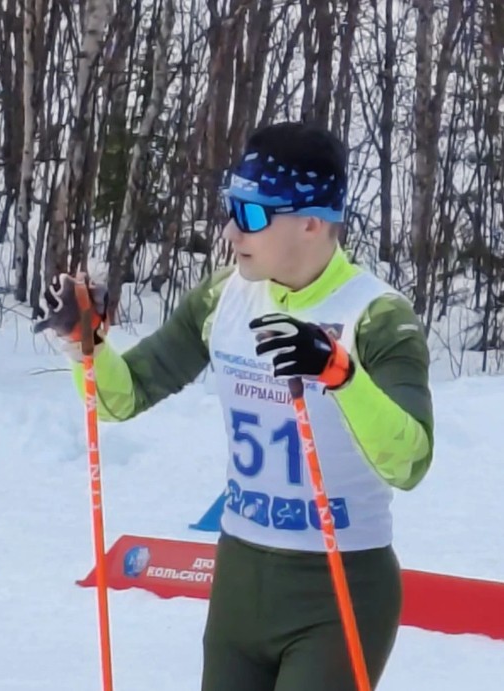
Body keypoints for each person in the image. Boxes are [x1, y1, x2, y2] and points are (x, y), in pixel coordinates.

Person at [35, 122, 434, 690]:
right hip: (240, 584)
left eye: (249, 214)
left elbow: (410, 461)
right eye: (230, 208)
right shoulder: (223, 297)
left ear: (310, 222)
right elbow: (124, 398)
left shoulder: (376, 316)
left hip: (339, 586)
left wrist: (340, 374)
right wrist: (86, 343)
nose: (229, 230)